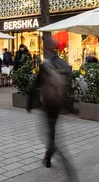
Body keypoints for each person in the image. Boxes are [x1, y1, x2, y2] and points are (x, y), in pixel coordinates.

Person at [27, 52, 78, 180]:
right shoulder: (63, 65)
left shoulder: (45, 66)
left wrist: (29, 104)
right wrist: (69, 106)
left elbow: (35, 85)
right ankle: (48, 156)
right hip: (58, 104)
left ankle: (65, 164)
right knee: (52, 130)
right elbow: (68, 86)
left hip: (48, 104)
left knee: (49, 134)